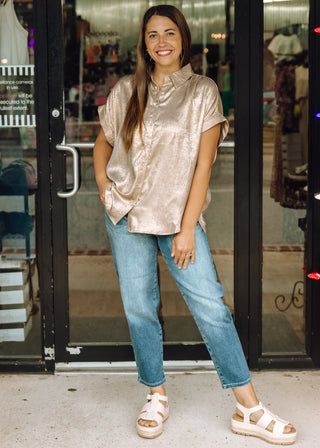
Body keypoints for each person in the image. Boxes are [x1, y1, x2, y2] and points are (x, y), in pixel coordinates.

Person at [93, 4, 297, 445]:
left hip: (176, 219)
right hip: (125, 215)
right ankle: (156, 393)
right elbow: (102, 144)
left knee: (211, 307)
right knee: (140, 308)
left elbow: (204, 167)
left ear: (183, 38)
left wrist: (187, 228)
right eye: (152, 35)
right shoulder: (127, 88)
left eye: (169, 32)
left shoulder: (203, 90)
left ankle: (249, 407)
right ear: (143, 44)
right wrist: (106, 191)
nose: (161, 41)